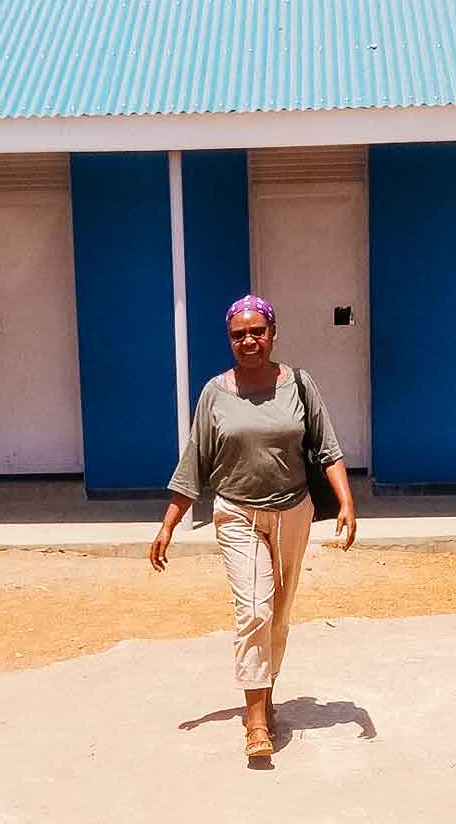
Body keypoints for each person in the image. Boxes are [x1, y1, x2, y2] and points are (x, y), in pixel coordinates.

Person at [150, 294, 356, 760]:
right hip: (236, 513)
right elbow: (193, 464)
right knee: (255, 610)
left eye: (256, 332)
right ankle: (257, 720)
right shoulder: (215, 393)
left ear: (272, 333)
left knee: (279, 615)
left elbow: (327, 448)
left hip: (293, 512)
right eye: (238, 334)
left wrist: (346, 501)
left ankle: (265, 691)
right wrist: (168, 525)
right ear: (229, 340)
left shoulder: (300, 385)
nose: (248, 341)